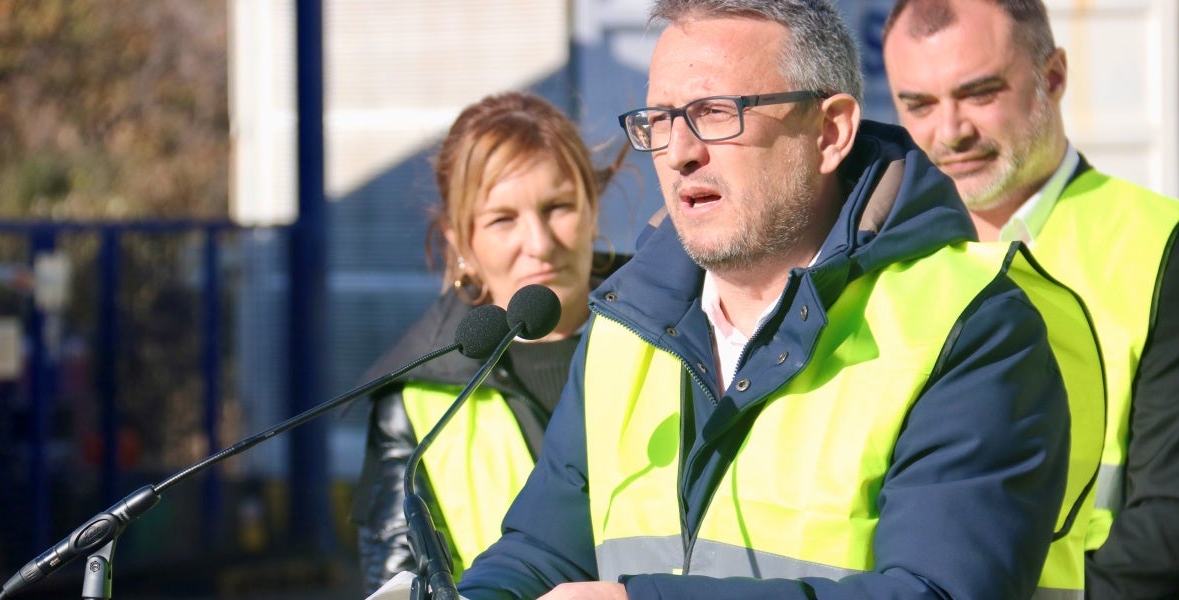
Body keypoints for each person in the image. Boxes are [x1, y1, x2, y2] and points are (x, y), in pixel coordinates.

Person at [456, 1, 1103, 599]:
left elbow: (937, 591)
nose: (680, 152)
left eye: (715, 112)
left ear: (830, 132)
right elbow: (542, 552)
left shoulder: (971, 323)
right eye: (658, 120)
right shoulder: (625, 322)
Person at [881, 1, 1179, 597]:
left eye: (980, 93)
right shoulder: (872, 253)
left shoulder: (1158, 244)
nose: (950, 132)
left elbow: (1165, 527)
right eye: (918, 104)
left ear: (1054, 78)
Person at [348, 91, 628, 592]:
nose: (540, 244)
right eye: (503, 219)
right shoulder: (415, 401)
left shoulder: (685, 331)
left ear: (593, 209)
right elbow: (401, 583)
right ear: (461, 243)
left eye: (559, 206)